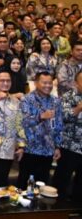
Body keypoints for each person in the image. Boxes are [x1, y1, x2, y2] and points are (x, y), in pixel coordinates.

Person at [17, 71, 62, 188]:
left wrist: (57, 146)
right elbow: (22, 122)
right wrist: (40, 116)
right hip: (30, 149)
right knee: (24, 184)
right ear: (36, 83)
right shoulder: (27, 99)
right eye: (44, 83)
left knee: (42, 185)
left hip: (48, 150)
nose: (48, 85)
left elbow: (58, 124)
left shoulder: (56, 101)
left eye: (50, 83)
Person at [52, 70, 82, 200]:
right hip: (69, 145)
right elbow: (63, 117)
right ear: (76, 83)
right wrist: (79, 107)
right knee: (61, 181)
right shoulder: (67, 97)